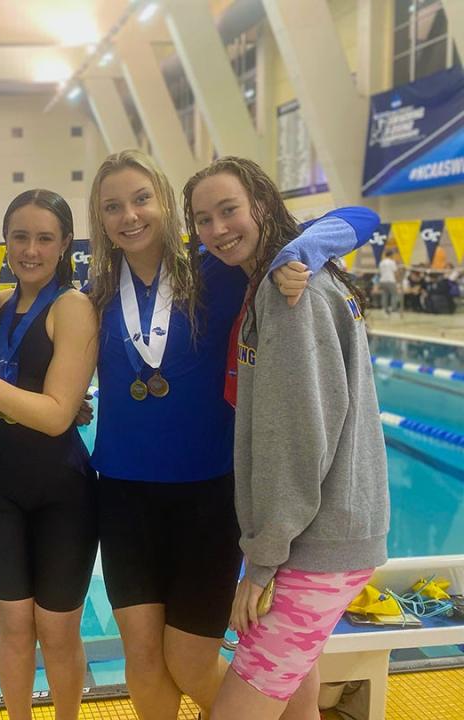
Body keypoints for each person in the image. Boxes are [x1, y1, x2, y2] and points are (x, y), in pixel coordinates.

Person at [86, 149, 377, 720]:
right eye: (113, 206)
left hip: (207, 494)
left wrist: (306, 250)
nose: (130, 215)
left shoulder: (217, 268)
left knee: (191, 658)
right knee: (143, 657)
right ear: (99, 219)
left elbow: (360, 218)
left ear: (167, 206)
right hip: (121, 494)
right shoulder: (95, 290)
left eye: (142, 199)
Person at [185, 156, 388, 720]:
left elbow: (296, 441)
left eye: (229, 210)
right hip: (330, 536)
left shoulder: (289, 295)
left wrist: (263, 563)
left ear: (263, 205)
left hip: (313, 550)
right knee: (297, 705)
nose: (217, 229)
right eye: (203, 219)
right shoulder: (288, 278)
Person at [0, 190, 97, 720]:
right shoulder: (0, 305)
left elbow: (56, 414)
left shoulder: (72, 308)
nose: (30, 249)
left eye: (44, 238)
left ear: (64, 247)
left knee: (57, 630)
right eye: (19, 236)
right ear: (4, 242)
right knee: (11, 626)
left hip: (62, 489)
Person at [377, 249, 399, 314]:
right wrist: (397, 280)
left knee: (385, 295)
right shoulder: (392, 262)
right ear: (391, 255)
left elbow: (380, 272)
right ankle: (393, 309)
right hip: (390, 280)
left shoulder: (381, 262)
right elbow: (395, 272)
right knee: (394, 295)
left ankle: (384, 309)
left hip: (383, 280)